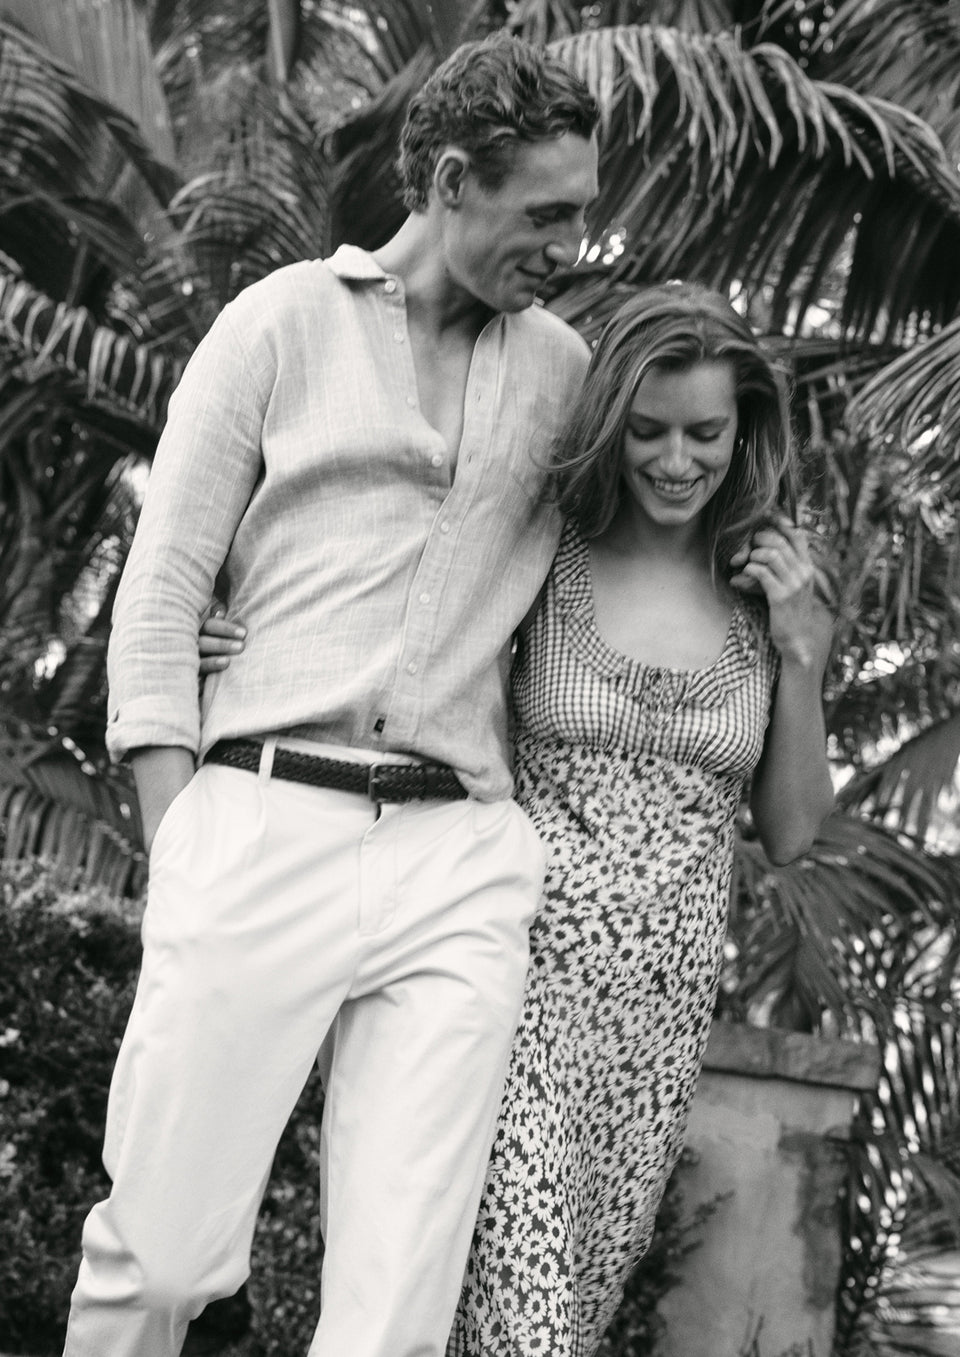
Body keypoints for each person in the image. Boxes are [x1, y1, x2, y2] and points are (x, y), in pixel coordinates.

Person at [62, 34, 599, 1357]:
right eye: (548, 211)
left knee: (395, 1307)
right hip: (263, 820)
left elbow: (652, 518)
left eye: (582, 211)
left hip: (457, 855)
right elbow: (166, 583)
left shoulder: (566, 371)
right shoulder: (282, 323)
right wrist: (180, 830)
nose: (571, 242)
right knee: (166, 1260)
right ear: (453, 181)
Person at [202, 281, 835, 1356]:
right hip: (514, 975)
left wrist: (803, 657)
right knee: (522, 1319)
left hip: (660, 1016)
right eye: (646, 431)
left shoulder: (768, 594)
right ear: (610, 425)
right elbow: (397, 627)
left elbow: (790, 832)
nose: (676, 460)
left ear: (747, 429)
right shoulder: (547, 552)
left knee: (544, 1316)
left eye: (705, 433)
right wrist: (245, 641)